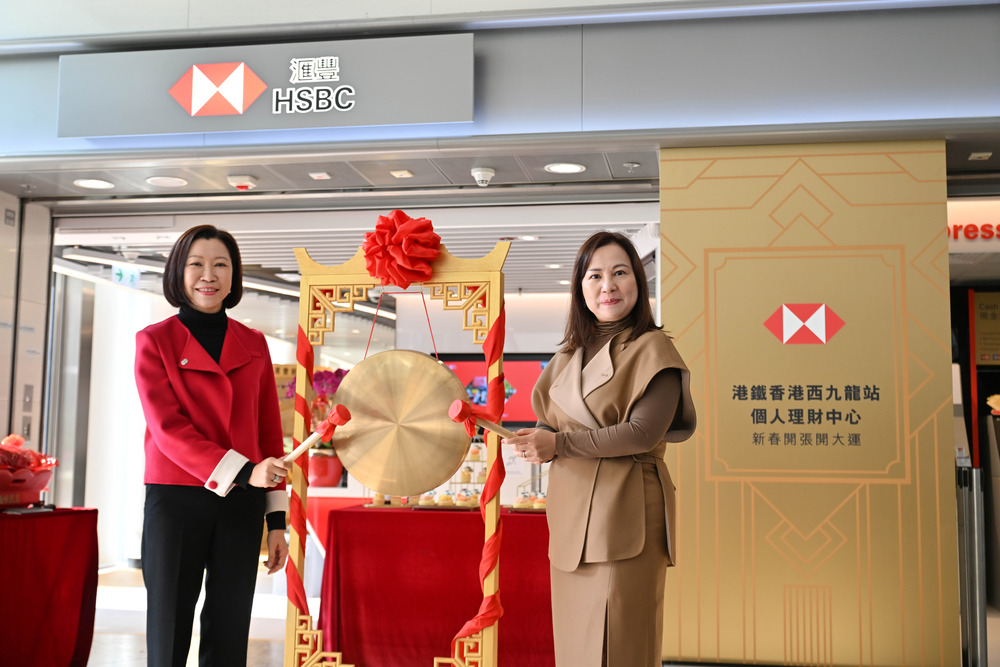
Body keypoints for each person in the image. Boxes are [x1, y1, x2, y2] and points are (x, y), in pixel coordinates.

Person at [503, 231, 696, 667]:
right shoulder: (567, 357)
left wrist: (560, 444)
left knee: (622, 642)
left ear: (637, 283)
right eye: (595, 275)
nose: (607, 285)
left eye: (619, 272)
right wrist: (537, 445)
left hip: (626, 508)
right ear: (581, 288)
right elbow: (547, 424)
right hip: (572, 515)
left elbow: (643, 433)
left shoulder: (653, 348)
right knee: (577, 646)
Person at [134, 224, 291, 667]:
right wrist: (244, 470)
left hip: (240, 506)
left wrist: (276, 520)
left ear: (234, 274)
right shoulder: (154, 341)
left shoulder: (255, 344)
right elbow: (167, 430)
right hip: (175, 500)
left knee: (229, 628)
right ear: (178, 273)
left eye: (221, 264)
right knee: (168, 628)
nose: (209, 275)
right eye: (197, 264)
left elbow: (267, 438)